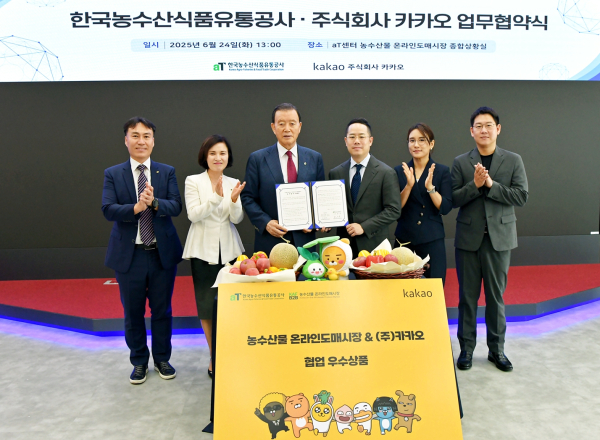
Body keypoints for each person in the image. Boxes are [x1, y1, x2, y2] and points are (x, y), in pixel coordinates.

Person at [102, 116, 183, 384]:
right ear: (126, 140)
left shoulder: (166, 171)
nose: (141, 141)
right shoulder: (113, 173)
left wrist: (155, 202)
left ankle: (162, 359)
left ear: (153, 141)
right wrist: (136, 208)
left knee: (162, 310)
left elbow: (176, 206)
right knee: (133, 312)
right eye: (135, 136)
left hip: (161, 254)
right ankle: (138, 361)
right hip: (130, 255)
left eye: (146, 136)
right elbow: (108, 209)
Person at [451, 107, 528, 372]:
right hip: (468, 240)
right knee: (467, 298)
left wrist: (491, 186)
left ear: (498, 129)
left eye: (488, 125)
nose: (484, 130)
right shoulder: (461, 162)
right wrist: (474, 185)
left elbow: (521, 196)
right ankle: (466, 349)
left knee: (496, 297)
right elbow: (453, 200)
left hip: (499, 239)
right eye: (478, 126)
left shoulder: (513, 160)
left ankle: (497, 350)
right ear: (471, 131)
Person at [182, 135, 245, 378]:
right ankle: (214, 356)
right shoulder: (193, 181)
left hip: (229, 250)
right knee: (207, 307)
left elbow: (236, 219)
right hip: (202, 251)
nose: (218, 158)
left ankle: (231, 353)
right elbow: (193, 215)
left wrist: (234, 200)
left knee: (231, 305)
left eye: (222, 153)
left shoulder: (233, 182)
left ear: (228, 157)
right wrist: (217, 197)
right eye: (213, 153)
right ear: (205, 157)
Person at [241, 103, 325, 255]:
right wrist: (266, 223)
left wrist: (317, 221)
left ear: (299, 126)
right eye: (281, 124)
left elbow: (319, 198)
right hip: (270, 243)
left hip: (306, 244)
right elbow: (247, 197)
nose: (287, 129)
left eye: (292, 123)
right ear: (273, 127)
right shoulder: (257, 159)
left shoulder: (314, 158)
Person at [329, 118, 402, 256]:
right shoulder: (336, 173)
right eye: (352, 137)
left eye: (362, 137)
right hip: (344, 248)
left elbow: (393, 210)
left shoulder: (386, 173)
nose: (356, 141)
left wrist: (364, 227)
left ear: (370, 140)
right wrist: (327, 222)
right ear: (346, 141)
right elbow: (333, 207)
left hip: (375, 247)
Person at [394, 123, 452, 285]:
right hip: (405, 240)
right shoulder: (399, 171)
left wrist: (430, 189)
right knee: (399, 290)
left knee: (434, 289)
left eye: (421, 140)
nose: (416, 145)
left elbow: (446, 207)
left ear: (431, 144)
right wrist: (408, 186)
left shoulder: (442, 171)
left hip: (432, 238)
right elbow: (395, 208)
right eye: (412, 140)